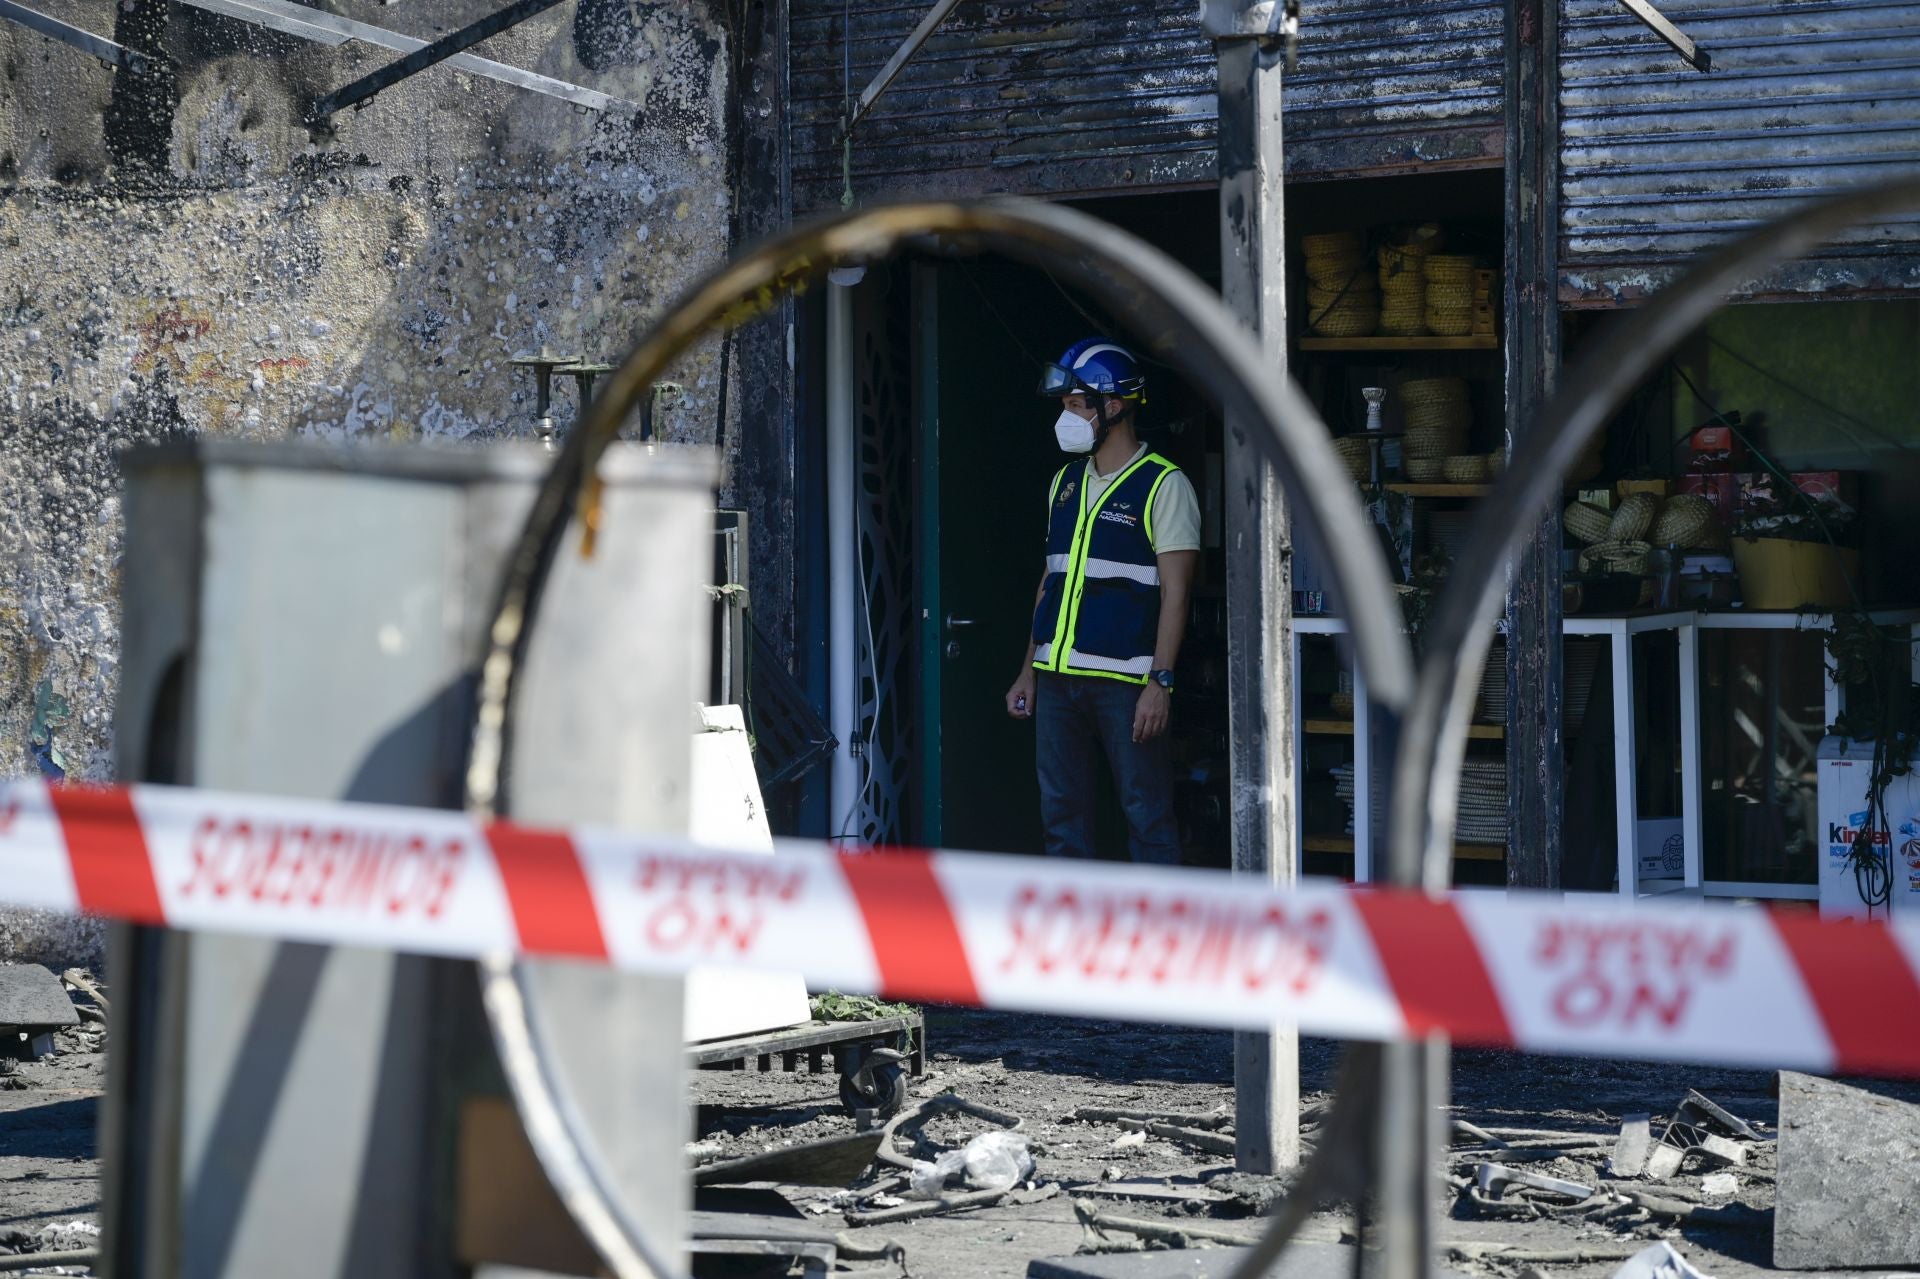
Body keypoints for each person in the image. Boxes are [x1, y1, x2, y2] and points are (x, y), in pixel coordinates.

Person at [1005, 338, 1201, 865]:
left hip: (1126, 686)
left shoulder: (1164, 484)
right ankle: (1075, 940)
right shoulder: (1064, 483)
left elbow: (1177, 594)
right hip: (1058, 679)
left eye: (1075, 405)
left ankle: (1164, 939)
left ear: (1112, 406)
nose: (1065, 417)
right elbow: (1050, 582)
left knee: (1147, 816)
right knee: (1061, 820)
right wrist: (1029, 671)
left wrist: (1160, 682)